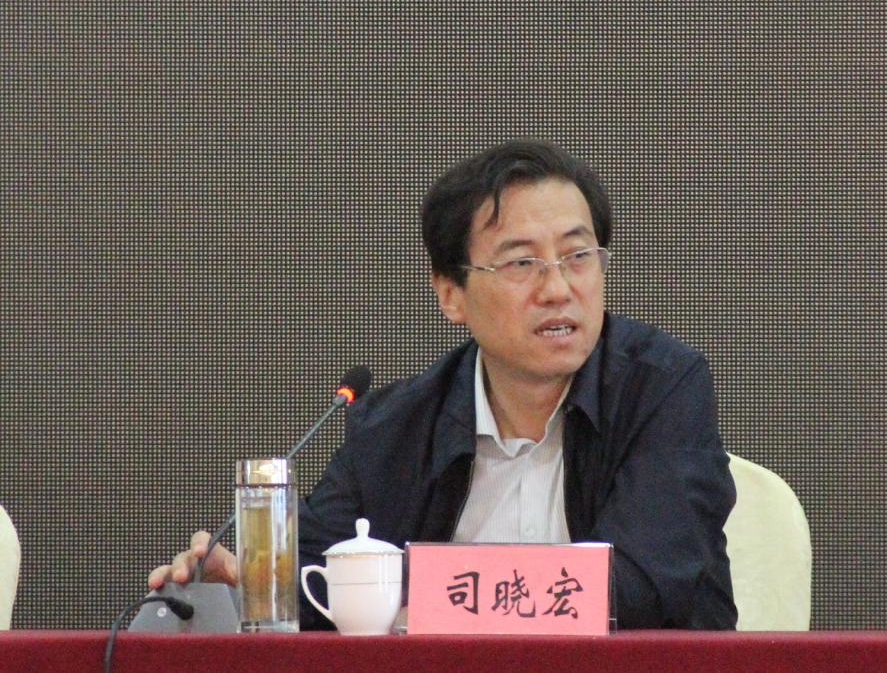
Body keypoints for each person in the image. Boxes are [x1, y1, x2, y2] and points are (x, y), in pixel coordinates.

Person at [149, 139, 738, 629]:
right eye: (521, 262)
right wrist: (248, 577)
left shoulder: (662, 389)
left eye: (578, 256)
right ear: (451, 294)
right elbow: (319, 578)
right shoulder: (392, 427)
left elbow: (643, 586)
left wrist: (406, 585)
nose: (559, 288)